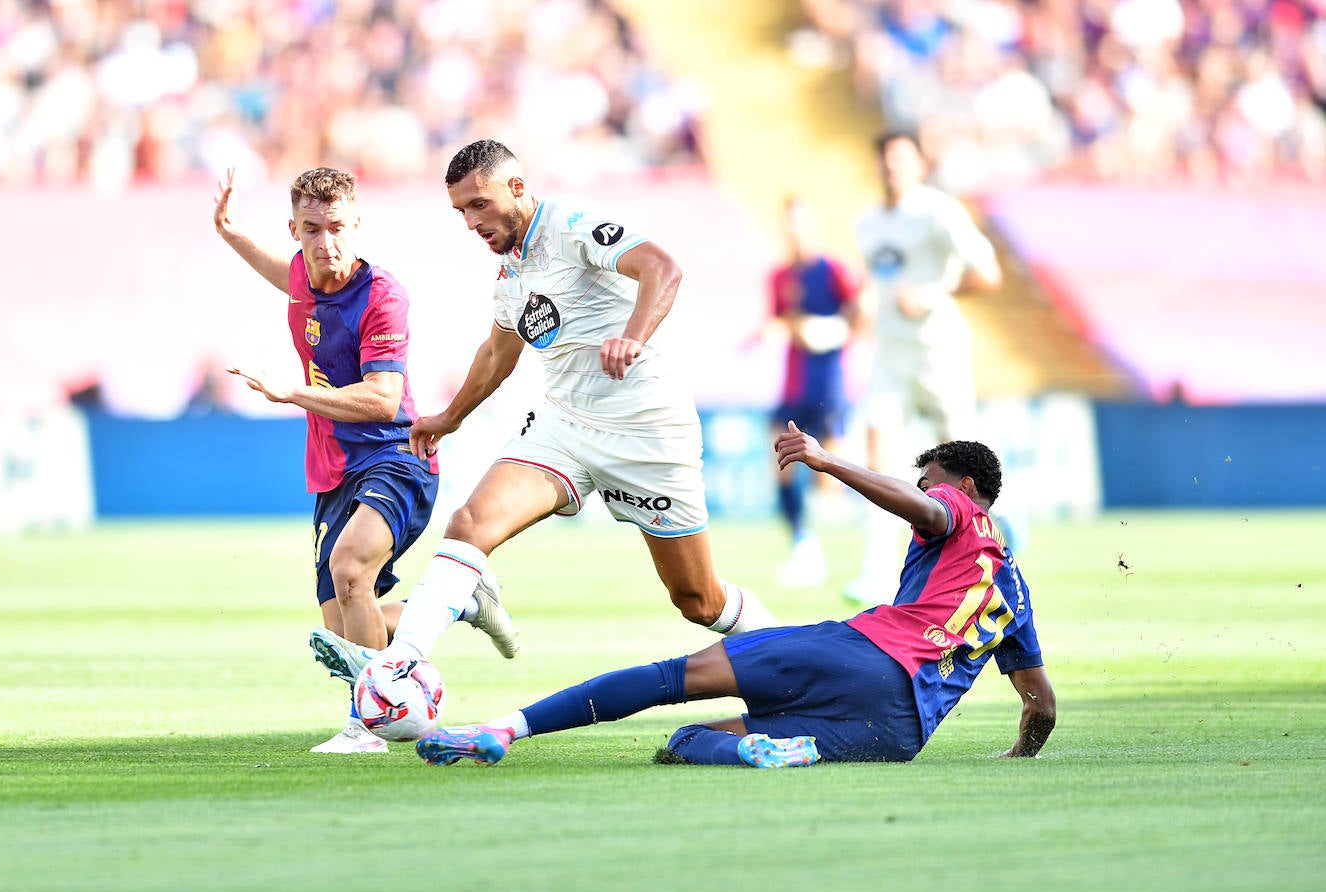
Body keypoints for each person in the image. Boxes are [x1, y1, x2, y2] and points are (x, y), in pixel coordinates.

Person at [307, 138, 777, 687]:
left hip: (647, 431)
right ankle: (398, 667)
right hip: (563, 427)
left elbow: (663, 268)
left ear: (517, 187)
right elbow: (496, 355)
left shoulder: (571, 222)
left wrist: (633, 336)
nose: (470, 221)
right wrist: (450, 417)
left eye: (479, 204)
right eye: (461, 210)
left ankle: (800, 656)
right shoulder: (511, 272)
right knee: (469, 524)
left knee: (698, 600)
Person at [414, 433, 1055, 768]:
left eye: (932, 478)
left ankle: (507, 728)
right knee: (693, 741)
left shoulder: (958, 509)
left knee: (672, 681)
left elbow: (923, 507)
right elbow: (1041, 705)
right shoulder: (1016, 591)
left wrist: (828, 463)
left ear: (965, 485)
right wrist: (1019, 754)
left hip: (865, 656)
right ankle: (761, 748)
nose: (924, 489)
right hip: (895, 731)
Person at [212, 166, 441, 754]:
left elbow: (383, 399)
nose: (326, 243)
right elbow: (280, 273)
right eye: (311, 230)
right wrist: (231, 233)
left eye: (337, 227)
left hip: (396, 456)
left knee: (349, 572)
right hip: (333, 470)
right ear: (296, 230)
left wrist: (292, 393)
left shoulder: (383, 296)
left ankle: (366, 727)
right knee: (343, 624)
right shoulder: (300, 273)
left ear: (357, 224)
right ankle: (452, 601)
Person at [844, 130, 1004, 606]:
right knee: (877, 455)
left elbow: (988, 274)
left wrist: (934, 294)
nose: (892, 166)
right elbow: (879, 283)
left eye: (901, 157)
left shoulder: (940, 211)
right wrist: (863, 312)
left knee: (967, 468)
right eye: (885, 158)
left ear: (919, 164)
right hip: (890, 356)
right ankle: (875, 573)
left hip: (939, 353)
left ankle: (990, 561)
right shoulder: (867, 223)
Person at [754, 196, 860, 587]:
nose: (795, 229)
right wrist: (766, 333)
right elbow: (778, 319)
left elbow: (857, 313)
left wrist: (832, 330)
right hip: (793, 385)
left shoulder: (832, 269)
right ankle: (803, 547)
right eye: (790, 222)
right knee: (779, 463)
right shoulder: (780, 277)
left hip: (828, 384)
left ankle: (877, 547)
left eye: (801, 222)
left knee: (830, 482)